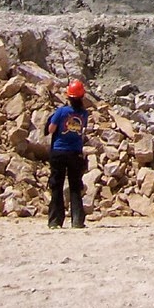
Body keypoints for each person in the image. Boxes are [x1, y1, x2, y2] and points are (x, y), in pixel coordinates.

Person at [46, 78, 89, 229]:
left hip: (58, 151)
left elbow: (51, 129)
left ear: (68, 96)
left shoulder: (61, 111)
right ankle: (77, 220)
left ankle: (55, 221)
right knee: (75, 186)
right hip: (75, 152)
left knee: (56, 185)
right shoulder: (84, 114)